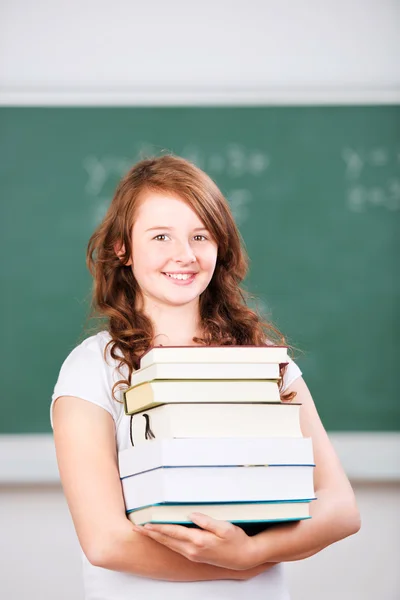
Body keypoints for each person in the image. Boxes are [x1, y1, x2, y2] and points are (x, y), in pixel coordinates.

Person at [51, 154, 361, 600]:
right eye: (161, 236)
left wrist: (248, 555)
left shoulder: (267, 365)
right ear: (123, 248)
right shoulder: (93, 367)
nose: (186, 255)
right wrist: (234, 567)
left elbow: (340, 509)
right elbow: (106, 541)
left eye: (201, 235)